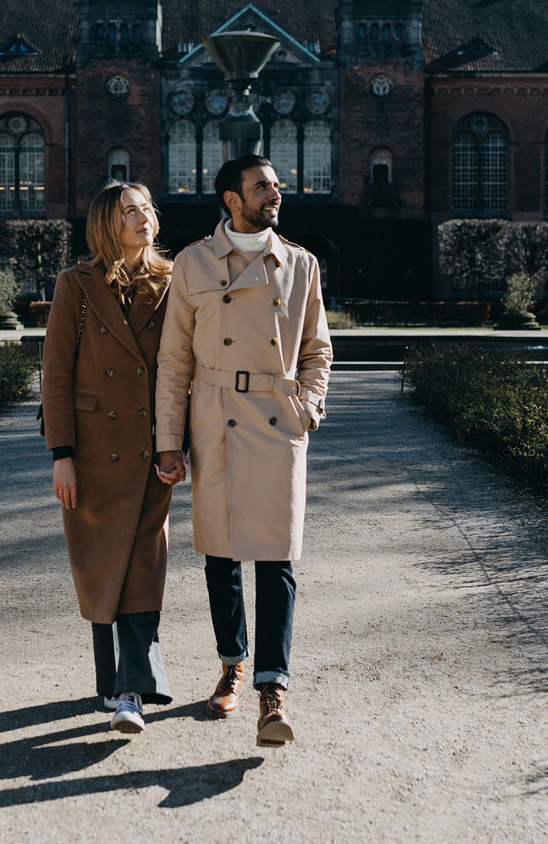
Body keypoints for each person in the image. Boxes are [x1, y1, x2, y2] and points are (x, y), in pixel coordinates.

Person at [155, 153, 332, 748]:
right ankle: (232, 662)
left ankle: (272, 687)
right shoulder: (194, 263)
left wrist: (307, 408)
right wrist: (168, 442)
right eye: (262, 186)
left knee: (276, 559)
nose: (275, 194)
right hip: (215, 421)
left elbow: (318, 349)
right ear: (231, 199)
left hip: (278, 423)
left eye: (277, 185)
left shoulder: (300, 264)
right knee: (221, 557)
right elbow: (174, 359)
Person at [41, 181, 181, 735]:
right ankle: (111, 680)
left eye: (147, 209)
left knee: (143, 562)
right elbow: (56, 375)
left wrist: (177, 443)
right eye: (130, 212)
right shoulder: (75, 285)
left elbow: (181, 371)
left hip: (151, 447)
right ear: (107, 223)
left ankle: (132, 690)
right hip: (93, 452)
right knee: (103, 564)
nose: (144, 218)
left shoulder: (174, 283)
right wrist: (62, 455)